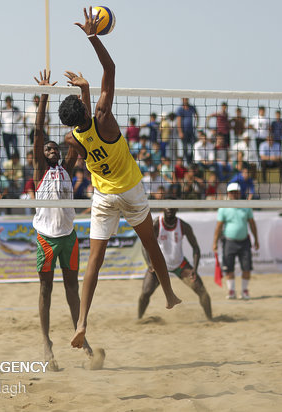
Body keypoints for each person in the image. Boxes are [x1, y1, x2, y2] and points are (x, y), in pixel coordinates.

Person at [57, 8, 181, 350]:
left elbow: (82, 125)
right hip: (130, 191)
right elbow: (110, 70)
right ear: (86, 107)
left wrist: (82, 92)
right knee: (151, 242)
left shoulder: (73, 138)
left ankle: (82, 322)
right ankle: (169, 294)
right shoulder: (104, 118)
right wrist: (92, 36)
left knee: (94, 261)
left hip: (103, 197)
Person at [31, 69, 102, 369]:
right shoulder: (39, 170)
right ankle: (46, 345)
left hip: (69, 237)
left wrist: (82, 103)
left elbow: (82, 135)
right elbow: (38, 130)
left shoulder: (67, 168)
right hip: (46, 239)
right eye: (47, 148)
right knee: (45, 290)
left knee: (72, 289)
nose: (51, 149)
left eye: (54, 147)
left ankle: (82, 337)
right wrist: (45, 96)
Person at [139, 208, 213, 320]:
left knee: (202, 291)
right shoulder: (156, 223)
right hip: (159, 265)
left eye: (172, 207)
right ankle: (139, 319)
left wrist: (195, 269)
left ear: (177, 208)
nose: (170, 209)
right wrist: (149, 263)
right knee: (145, 293)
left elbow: (196, 248)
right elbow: (144, 245)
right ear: (163, 208)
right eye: (167, 207)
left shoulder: (183, 225)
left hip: (180, 264)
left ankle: (211, 320)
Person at [212, 182, 259, 299]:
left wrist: (256, 239)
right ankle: (231, 291)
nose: (234, 194)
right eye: (231, 192)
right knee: (229, 268)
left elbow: (252, 224)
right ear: (228, 193)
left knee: (246, 267)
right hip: (229, 241)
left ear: (239, 193)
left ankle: (244, 291)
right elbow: (218, 226)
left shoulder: (246, 206)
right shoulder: (223, 208)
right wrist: (214, 242)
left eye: (236, 192)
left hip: (244, 241)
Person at [176, 98, 199, 164]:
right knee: (185, 148)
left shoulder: (192, 108)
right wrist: (180, 132)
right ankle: (187, 162)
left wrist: (196, 125)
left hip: (191, 131)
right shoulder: (180, 109)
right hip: (184, 132)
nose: (185, 100)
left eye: (186, 99)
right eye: (184, 99)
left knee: (193, 146)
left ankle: (190, 160)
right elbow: (178, 121)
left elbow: (197, 116)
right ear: (182, 100)